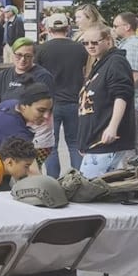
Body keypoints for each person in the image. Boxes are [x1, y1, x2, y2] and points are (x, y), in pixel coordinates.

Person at [75, 25, 137, 180]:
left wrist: (112, 127)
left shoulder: (116, 62)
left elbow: (121, 95)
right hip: (95, 140)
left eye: (95, 42)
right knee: (92, 187)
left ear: (108, 41)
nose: (90, 46)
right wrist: (85, 141)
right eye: (86, 43)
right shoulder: (99, 63)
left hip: (106, 140)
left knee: (87, 187)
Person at [36, 13, 89, 176]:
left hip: (49, 105)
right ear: (68, 28)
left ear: (48, 29)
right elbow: (86, 73)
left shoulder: (41, 49)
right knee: (74, 144)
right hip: (74, 101)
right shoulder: (81, 48)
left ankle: (53, 181)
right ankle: (78, 180)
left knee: (51, 145)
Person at [113, 12, 138, 157]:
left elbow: (133, 77)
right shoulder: (132, 44)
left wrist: (119, 96)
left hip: (133, 101)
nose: (114, 29)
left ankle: (135, 172)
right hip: (135, 101)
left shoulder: (132, 47)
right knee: (132, 140)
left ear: (127, 27)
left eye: (116, 26)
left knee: (130, 141)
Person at [0, 37, 55, 110]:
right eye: (19, 55)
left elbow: (46, 105)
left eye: (27, 56)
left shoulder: (43, 76)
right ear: (13, 54)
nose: (22, 59)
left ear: (33, 57)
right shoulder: (4, 74)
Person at [0, 83, 53, 153]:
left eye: (49, 110)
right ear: (24, 106)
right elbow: (29, 166)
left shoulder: (12, 104)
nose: (46, 116)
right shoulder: (15, 129)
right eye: (41, 110)